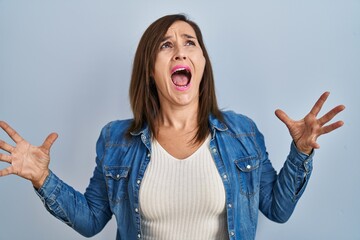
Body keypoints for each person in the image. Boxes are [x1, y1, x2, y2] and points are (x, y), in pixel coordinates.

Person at [0, 14, 345, 240]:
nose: (180, 51)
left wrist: (300, 153)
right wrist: (43, 179)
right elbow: (91, 220)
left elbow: (278, 210)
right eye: (166, 45)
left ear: (202, 64)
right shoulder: (116, 140)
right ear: (150, 69)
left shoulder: (242, 133)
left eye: (189, 42)